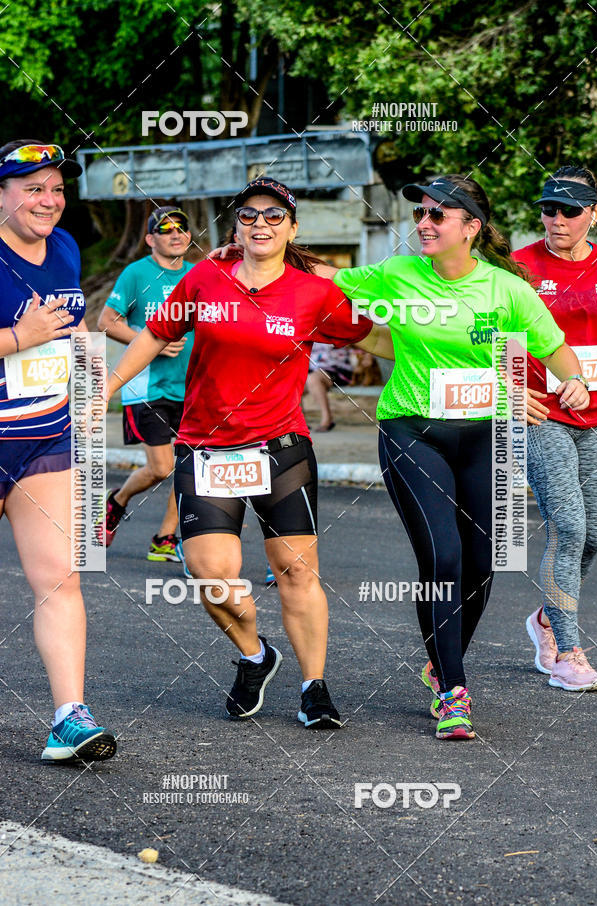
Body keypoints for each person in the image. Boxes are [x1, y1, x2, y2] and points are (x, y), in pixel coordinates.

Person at [104, 176, 393, 729]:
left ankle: (315, 688)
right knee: (211, 574)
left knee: (295, 570)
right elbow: (152, 333)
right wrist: (107, 388)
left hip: (281, 447)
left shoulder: (315, 293)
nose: (261, 223)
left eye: (274, 215)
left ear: (292, 227)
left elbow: (374, 338)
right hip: (206, 447)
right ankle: (256, 655)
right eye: (250, 215)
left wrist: (442, 347)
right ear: (236, 224)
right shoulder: (205, 275)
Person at [328, 174, 589, 740]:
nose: (423, 223)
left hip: (483, 437)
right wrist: (260, 253)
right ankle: (452, 690)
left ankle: (439, 662)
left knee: (483, 564)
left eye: (438, 215)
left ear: (471, 228)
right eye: (421, 213)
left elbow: (555, 348)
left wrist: (573, 384)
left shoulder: (507, 290)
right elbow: (320, 279)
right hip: (412, 431)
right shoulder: (395, 275)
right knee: (443, 558)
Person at [0, 140, 116, 762]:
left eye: (55, 188)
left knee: (60, 578)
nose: (48, 200)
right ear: (2, 194)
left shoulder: (66, 247)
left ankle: (68, 718)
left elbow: (69, 336)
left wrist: (89, 388)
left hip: (45, 437)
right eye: (31, 188)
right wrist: (18, 336)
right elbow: (32, 334)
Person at [514, 166, 597, 691]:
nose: (557, 219)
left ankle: (545, 618)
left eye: (570, 210)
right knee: (568, 528)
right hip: (541, 415)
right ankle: (566, 650)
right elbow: (484, 333)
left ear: (594, 213)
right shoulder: (518, 268)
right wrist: (509, 387)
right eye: (549, 209)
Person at [96, 206, 194, 560]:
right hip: (147, 387)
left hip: (191, 387)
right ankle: (117, 501)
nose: (176, 234)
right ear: (151, 239)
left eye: (181, 228)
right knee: (162, 467)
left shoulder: (198, 275)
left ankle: (165, 538)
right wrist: (152, 339)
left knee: (191, 466)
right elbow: (107, 320)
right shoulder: (137, 273)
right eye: (166, 229)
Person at [304, 342, 354, 431]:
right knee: (294, 380)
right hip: (313, 368)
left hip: (337, 369)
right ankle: (299, 421)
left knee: (313, 379)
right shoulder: (308, 331)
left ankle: (327, 418)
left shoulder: (335, 329)